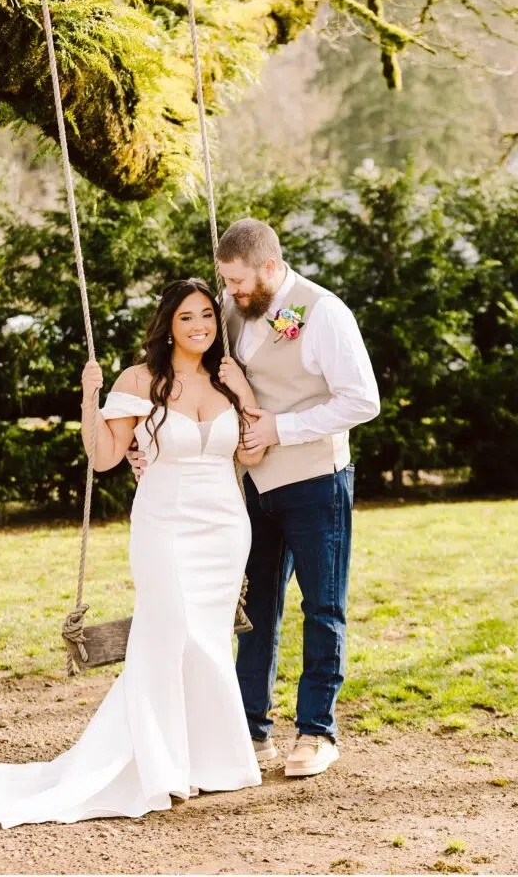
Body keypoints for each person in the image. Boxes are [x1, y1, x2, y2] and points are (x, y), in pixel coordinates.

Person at [0, 278, 263, 827]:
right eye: (187, 317)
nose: (200, 327)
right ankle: (156, 764)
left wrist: (247, 393)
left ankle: (211, 761)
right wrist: (89, 398)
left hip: (225, 529)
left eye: (207, 315)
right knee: (170, 635)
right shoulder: (140, 380)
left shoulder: (227, 379)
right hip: (165, 524)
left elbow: (252, 454)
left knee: (206, 640)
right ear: (168, 324)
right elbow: (105, 457)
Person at [129, 221, 380, 779]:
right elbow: (189, 373)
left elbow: (363, 400)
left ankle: (317, 731)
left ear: (269, 267)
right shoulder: (231, 307)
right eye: (226, 282)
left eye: (239, 282)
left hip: (317, 481)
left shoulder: (324, 313)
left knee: (323, 607)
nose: (231, 293)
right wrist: (142, 440)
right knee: (254, 608)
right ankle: (250, 728)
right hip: (248, 489)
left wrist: (281, 429)